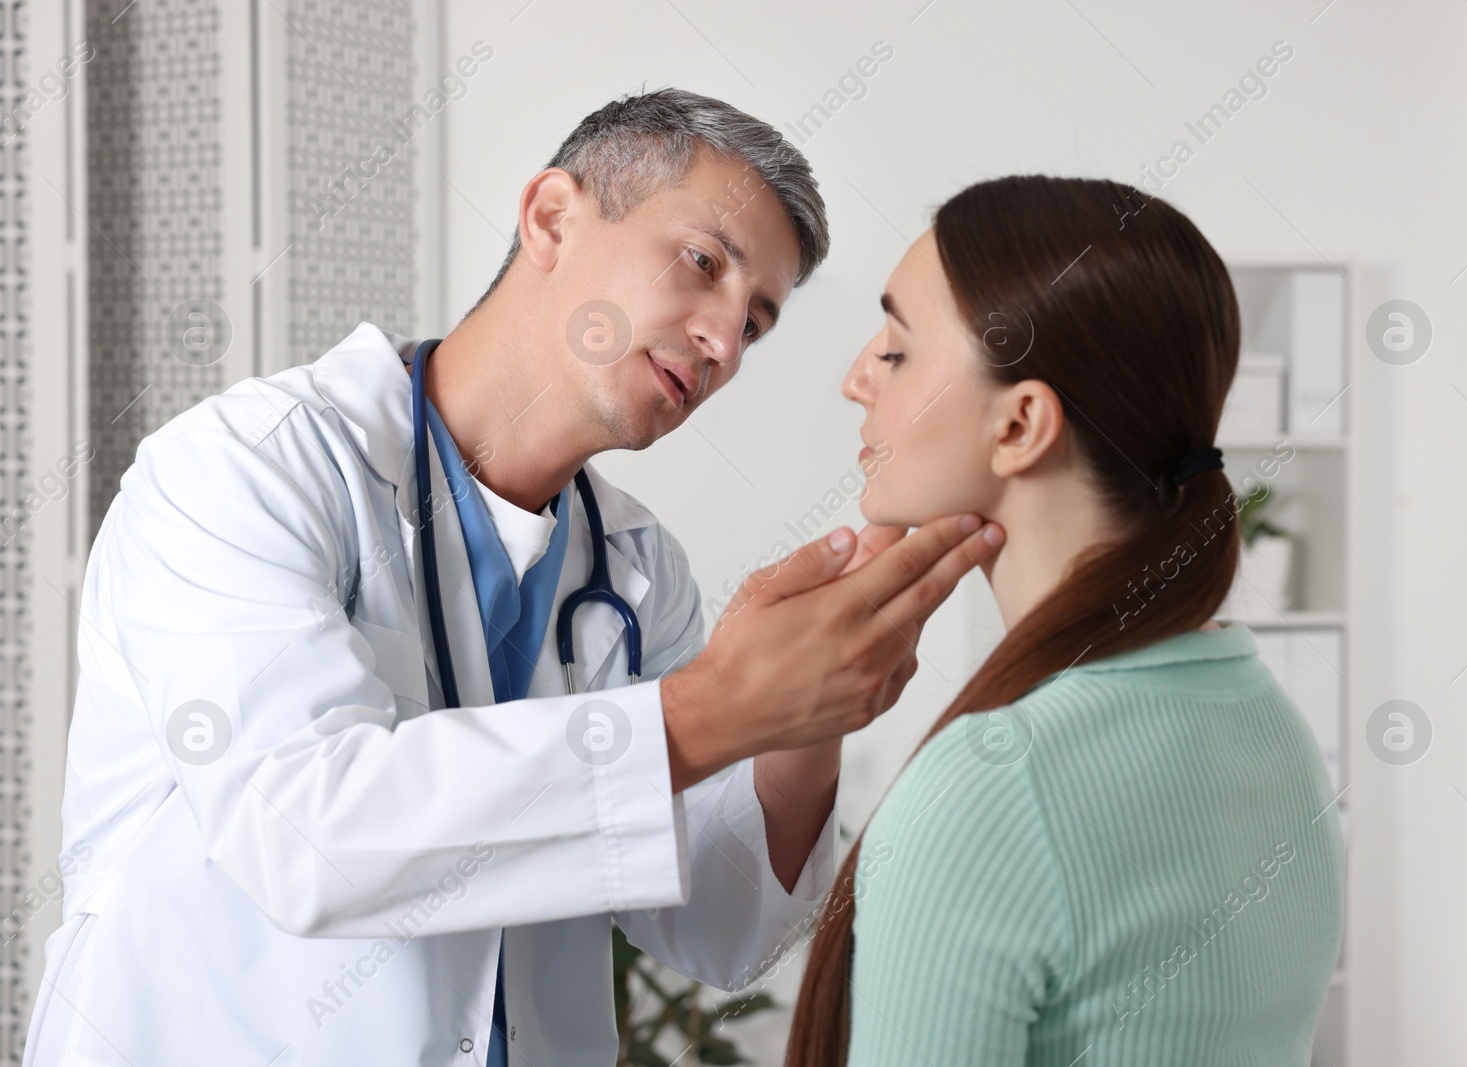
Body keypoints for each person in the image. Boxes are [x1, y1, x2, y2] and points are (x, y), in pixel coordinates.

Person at [20, 89, 1006, 1066]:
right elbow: (304, 840)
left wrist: (806, 710)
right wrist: (708, 710)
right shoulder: (244, 467)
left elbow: (719, 930)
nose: (720, 341)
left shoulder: (633, 568)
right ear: (550, 217)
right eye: (704, 263)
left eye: (754, 322)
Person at [785, 176, 1344, 1066]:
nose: (857, 379)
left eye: (896, 350)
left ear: (1019, 426)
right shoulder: (1268, 726)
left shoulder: (992, 788)